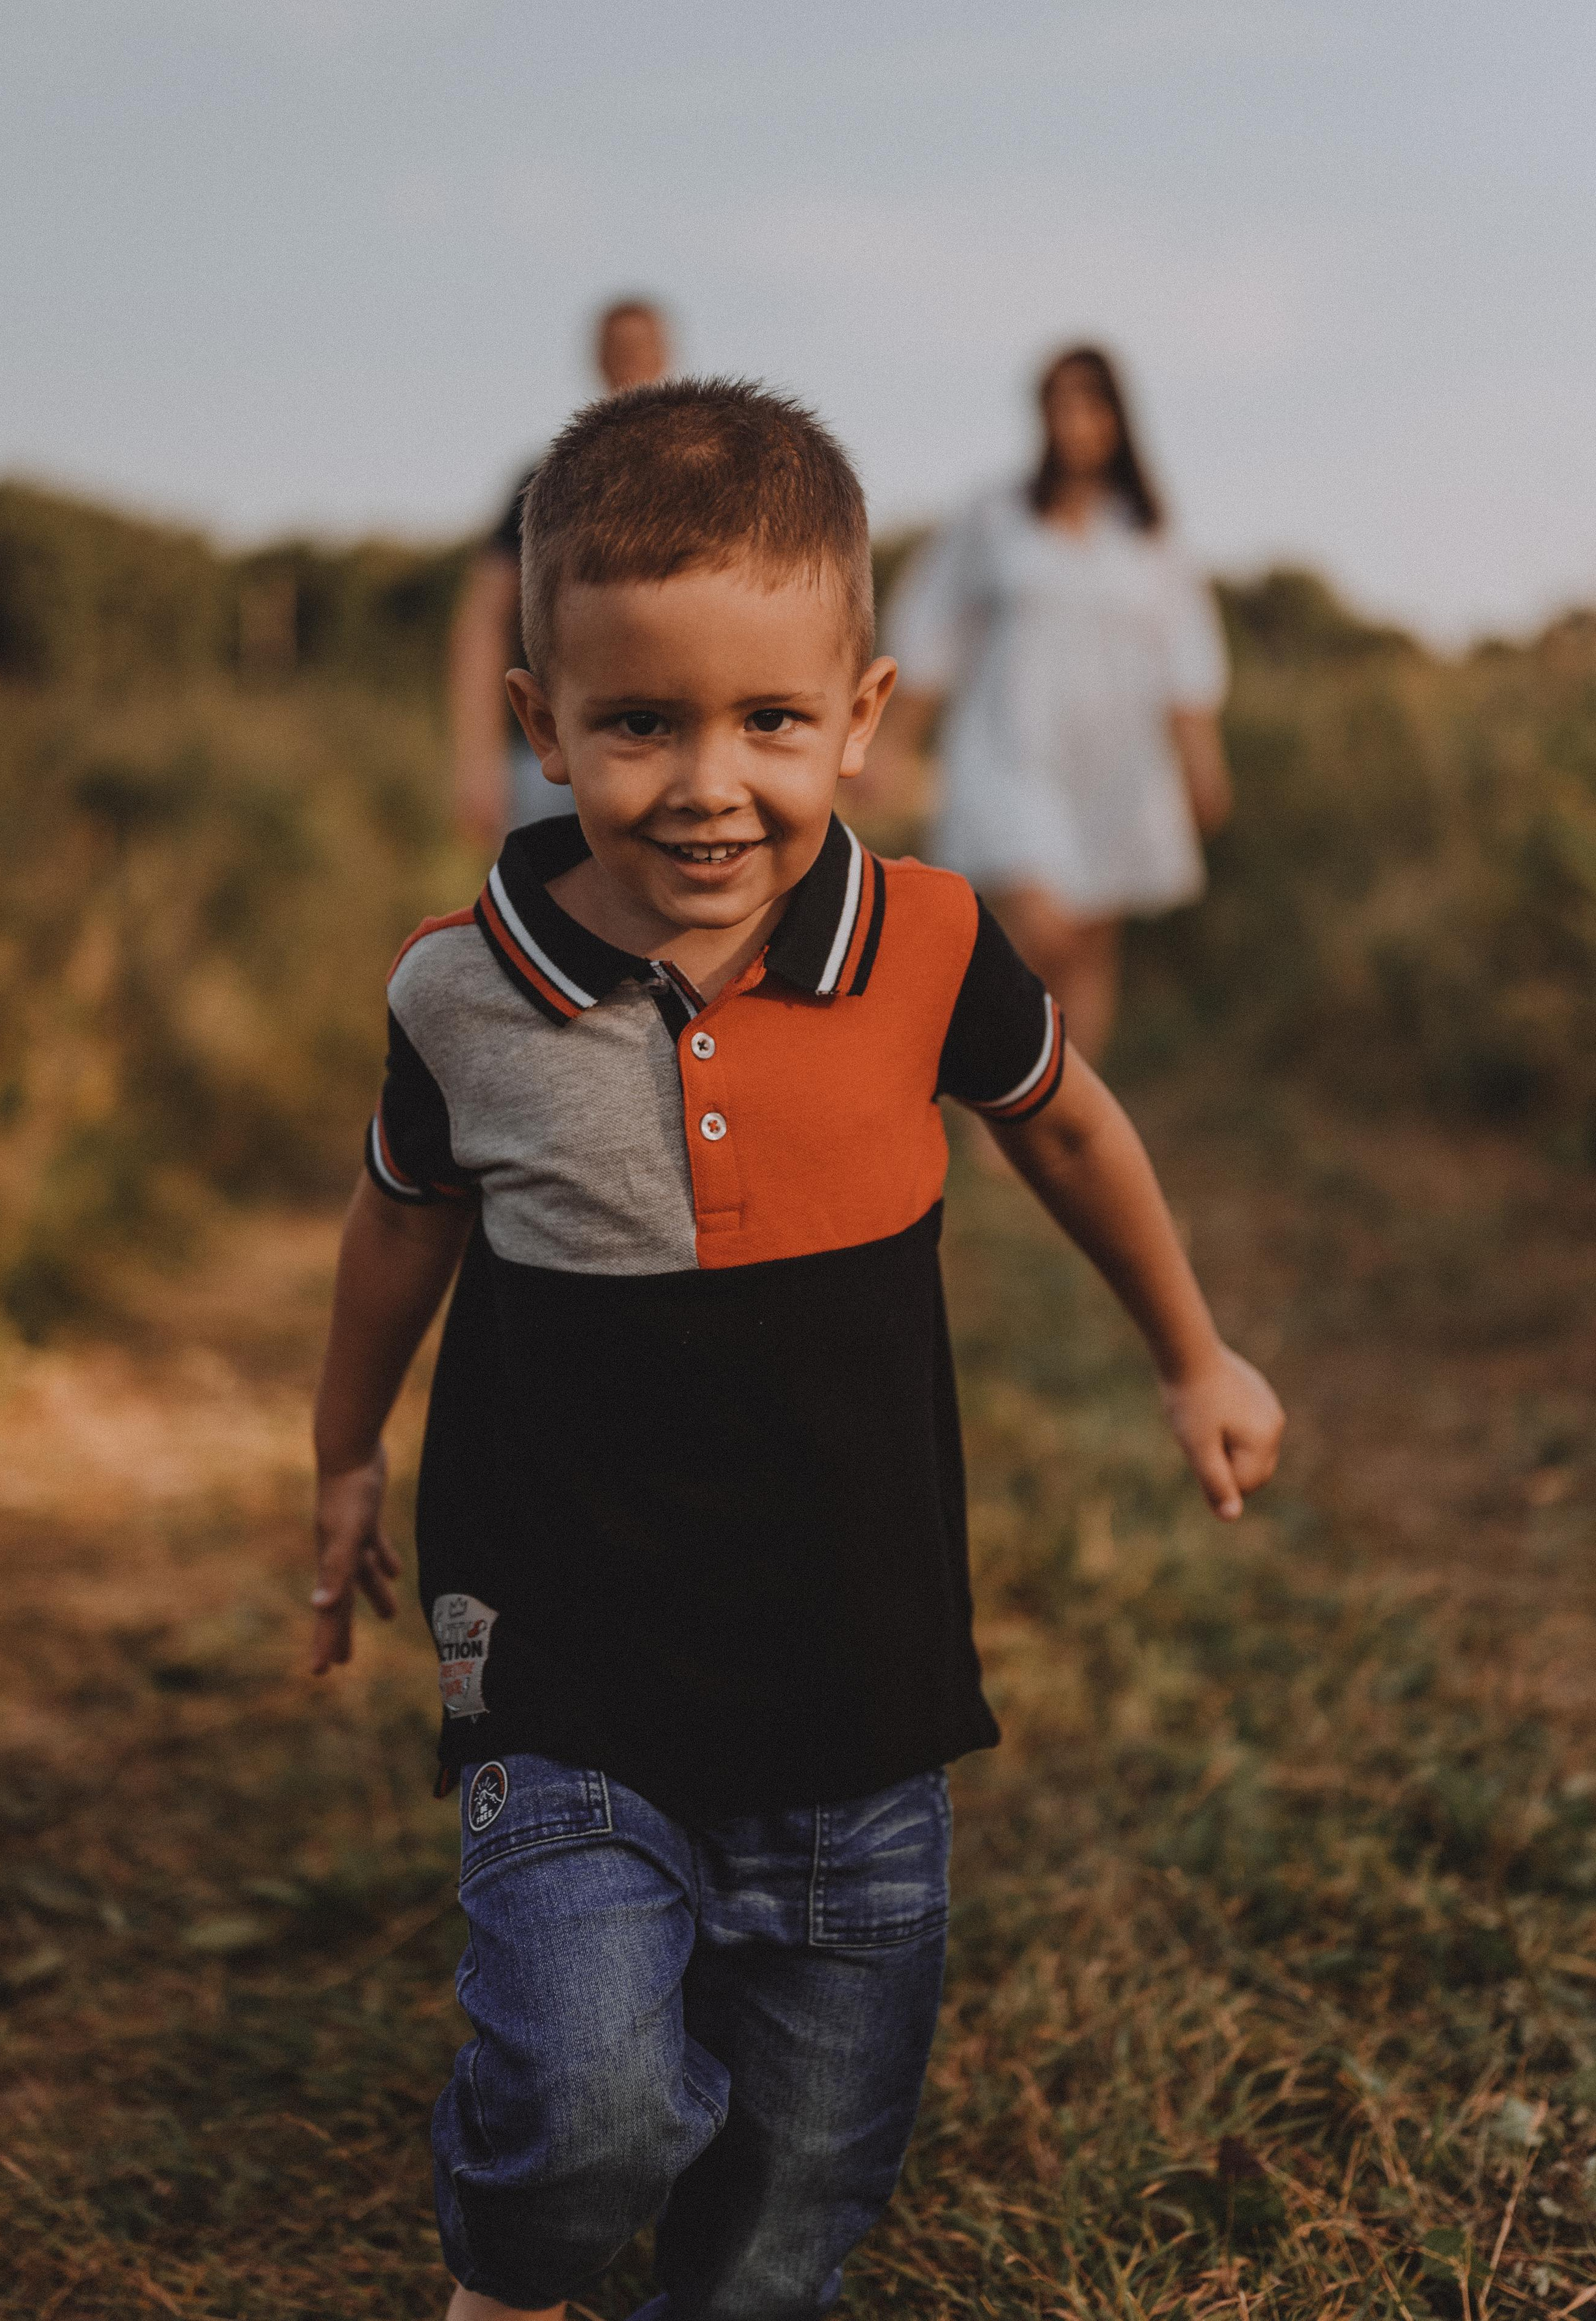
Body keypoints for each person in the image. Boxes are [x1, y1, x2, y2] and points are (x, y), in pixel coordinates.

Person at [309, 378, 1283, 2321]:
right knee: (586, 2110)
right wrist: (344, 1451)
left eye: (769, 719)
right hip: (565, 1664)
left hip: (859, 1683)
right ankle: (515, 2266)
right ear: (540, 727)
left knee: (796, 2190)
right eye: (638, 723)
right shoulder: (459, 993)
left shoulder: (924, 942)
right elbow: (398, 1225)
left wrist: (1191, 1351)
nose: (708, 783)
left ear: (861, 714)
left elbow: (1064, 1127)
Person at [879, 344, 1233, 1064]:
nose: (1073, 421)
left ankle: (1065, 1108)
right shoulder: (995, 515)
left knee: (1089, 951)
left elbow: (1184, 655)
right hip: (1009, 751)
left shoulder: (1148, 532)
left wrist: (1203, 762)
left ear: (1116, 417)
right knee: (1035, 936)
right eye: (1058, 404)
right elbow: (932, 625)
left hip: (1118, 763)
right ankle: (991, 1101)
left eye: (1089, 403)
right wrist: (893, 741)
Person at [449, 296, 675, 848]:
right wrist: (476, 763)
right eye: (617, 351)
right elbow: (483, 621)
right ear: (597, 360)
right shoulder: (546, 480)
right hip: (550, 754)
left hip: (671, 746)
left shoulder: (697, 481)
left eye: (642, 350)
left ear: (665, 357)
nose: (631, 364)